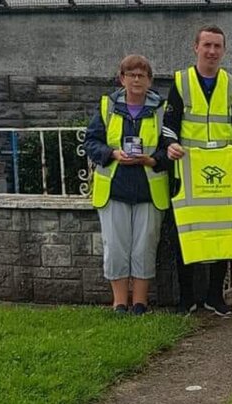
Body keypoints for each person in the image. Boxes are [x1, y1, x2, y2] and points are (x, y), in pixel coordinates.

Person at [163, 25, 232, 316]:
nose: (212, 51)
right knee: (185, 233)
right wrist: (171, 143)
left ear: (224, 50)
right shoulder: (180, 82)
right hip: (187, 171)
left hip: (223, 171)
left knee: (222, 233)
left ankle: (216, 295)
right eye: (207, 45)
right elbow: (169, 124)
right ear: (196, 47)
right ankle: (187, 297)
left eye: (217, 46)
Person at [84, 55, 169, 315]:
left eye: (141, 75)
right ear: (122, 78)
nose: (136, 80)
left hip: (148, 189)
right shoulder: (106, 107)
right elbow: (91, 142)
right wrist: (112, 154)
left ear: (149, 80)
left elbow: (170, 148)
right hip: (114, 188)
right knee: (116, 247)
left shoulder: (161, 110)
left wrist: (152, 159)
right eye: (130, 75)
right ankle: (120, 303)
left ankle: (140, 303)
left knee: (145, 246)